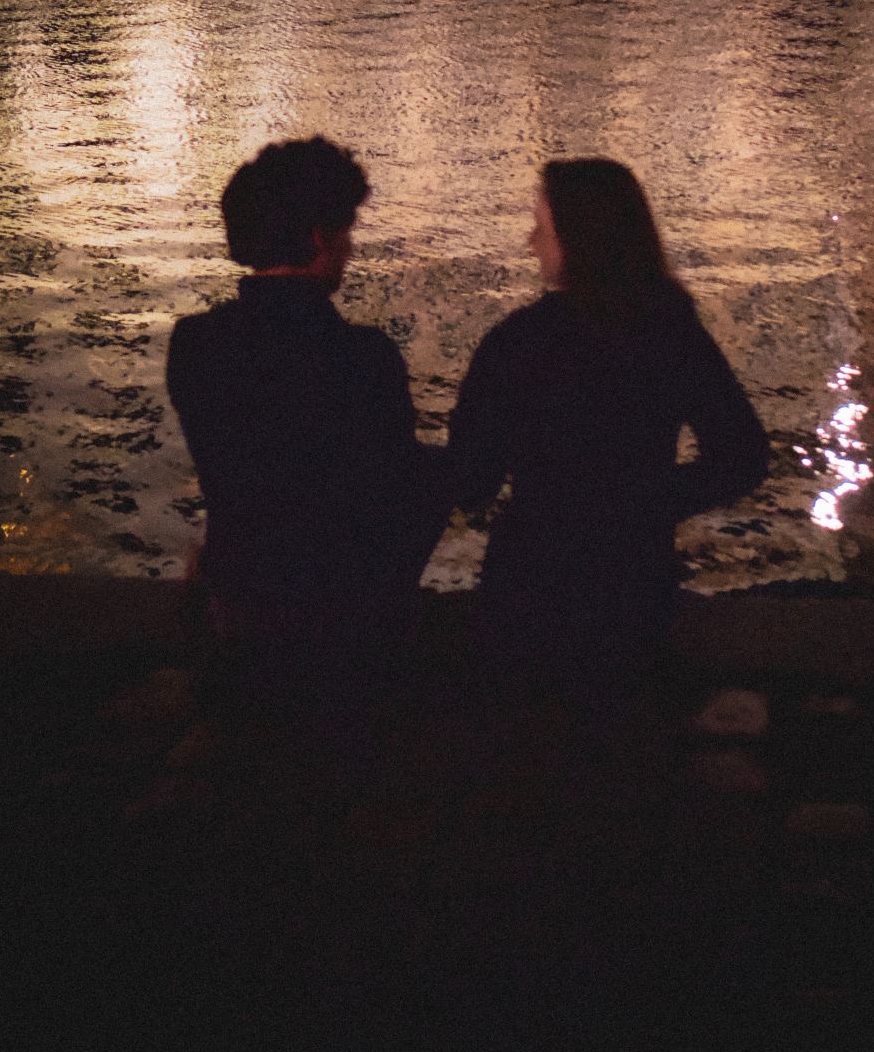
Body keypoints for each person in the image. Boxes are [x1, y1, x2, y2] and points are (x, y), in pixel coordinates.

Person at [449, 158, 769, 711]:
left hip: (531, 578)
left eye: (541, 227)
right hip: (632, 576)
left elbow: (472, 481)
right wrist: (647, 500)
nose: (531, 242)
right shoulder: (671, 334)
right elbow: (742, 455)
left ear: (577, 240)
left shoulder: (517, 343)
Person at [166, 136, 451, 713]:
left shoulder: (193, 345)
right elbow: (389, 492)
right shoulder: (364, 357)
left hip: (242, 593)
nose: (351, 247)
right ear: (322, 237)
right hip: (341, 614)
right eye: (347, 230)